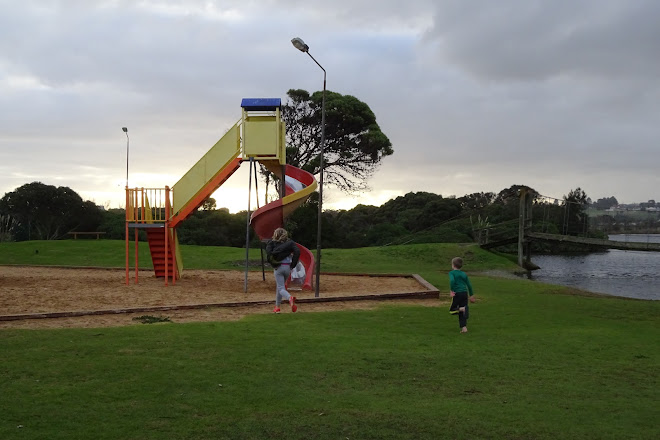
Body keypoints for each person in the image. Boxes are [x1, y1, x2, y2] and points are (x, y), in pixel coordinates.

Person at [265, 228, 300, 314]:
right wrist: (293, 264)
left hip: (278, 267)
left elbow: (268, 253)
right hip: (287, 267)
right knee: (280, 287)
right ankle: (277, 307)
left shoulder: (272, 243)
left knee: (280, 288)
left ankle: (289, 298)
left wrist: (273, 262)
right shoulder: (290, 243)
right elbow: (297, 251)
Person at [448, 257, 475, 333]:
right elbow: (469, 284)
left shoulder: (452, 273)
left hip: (457, 293)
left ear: (453, 265)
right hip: (464, 293)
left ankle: (462, 309)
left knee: (452, 310)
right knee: (462, 313)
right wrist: (471, 295)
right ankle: (464, 328)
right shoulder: (464, 274)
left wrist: (452, 290)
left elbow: (452, 281)